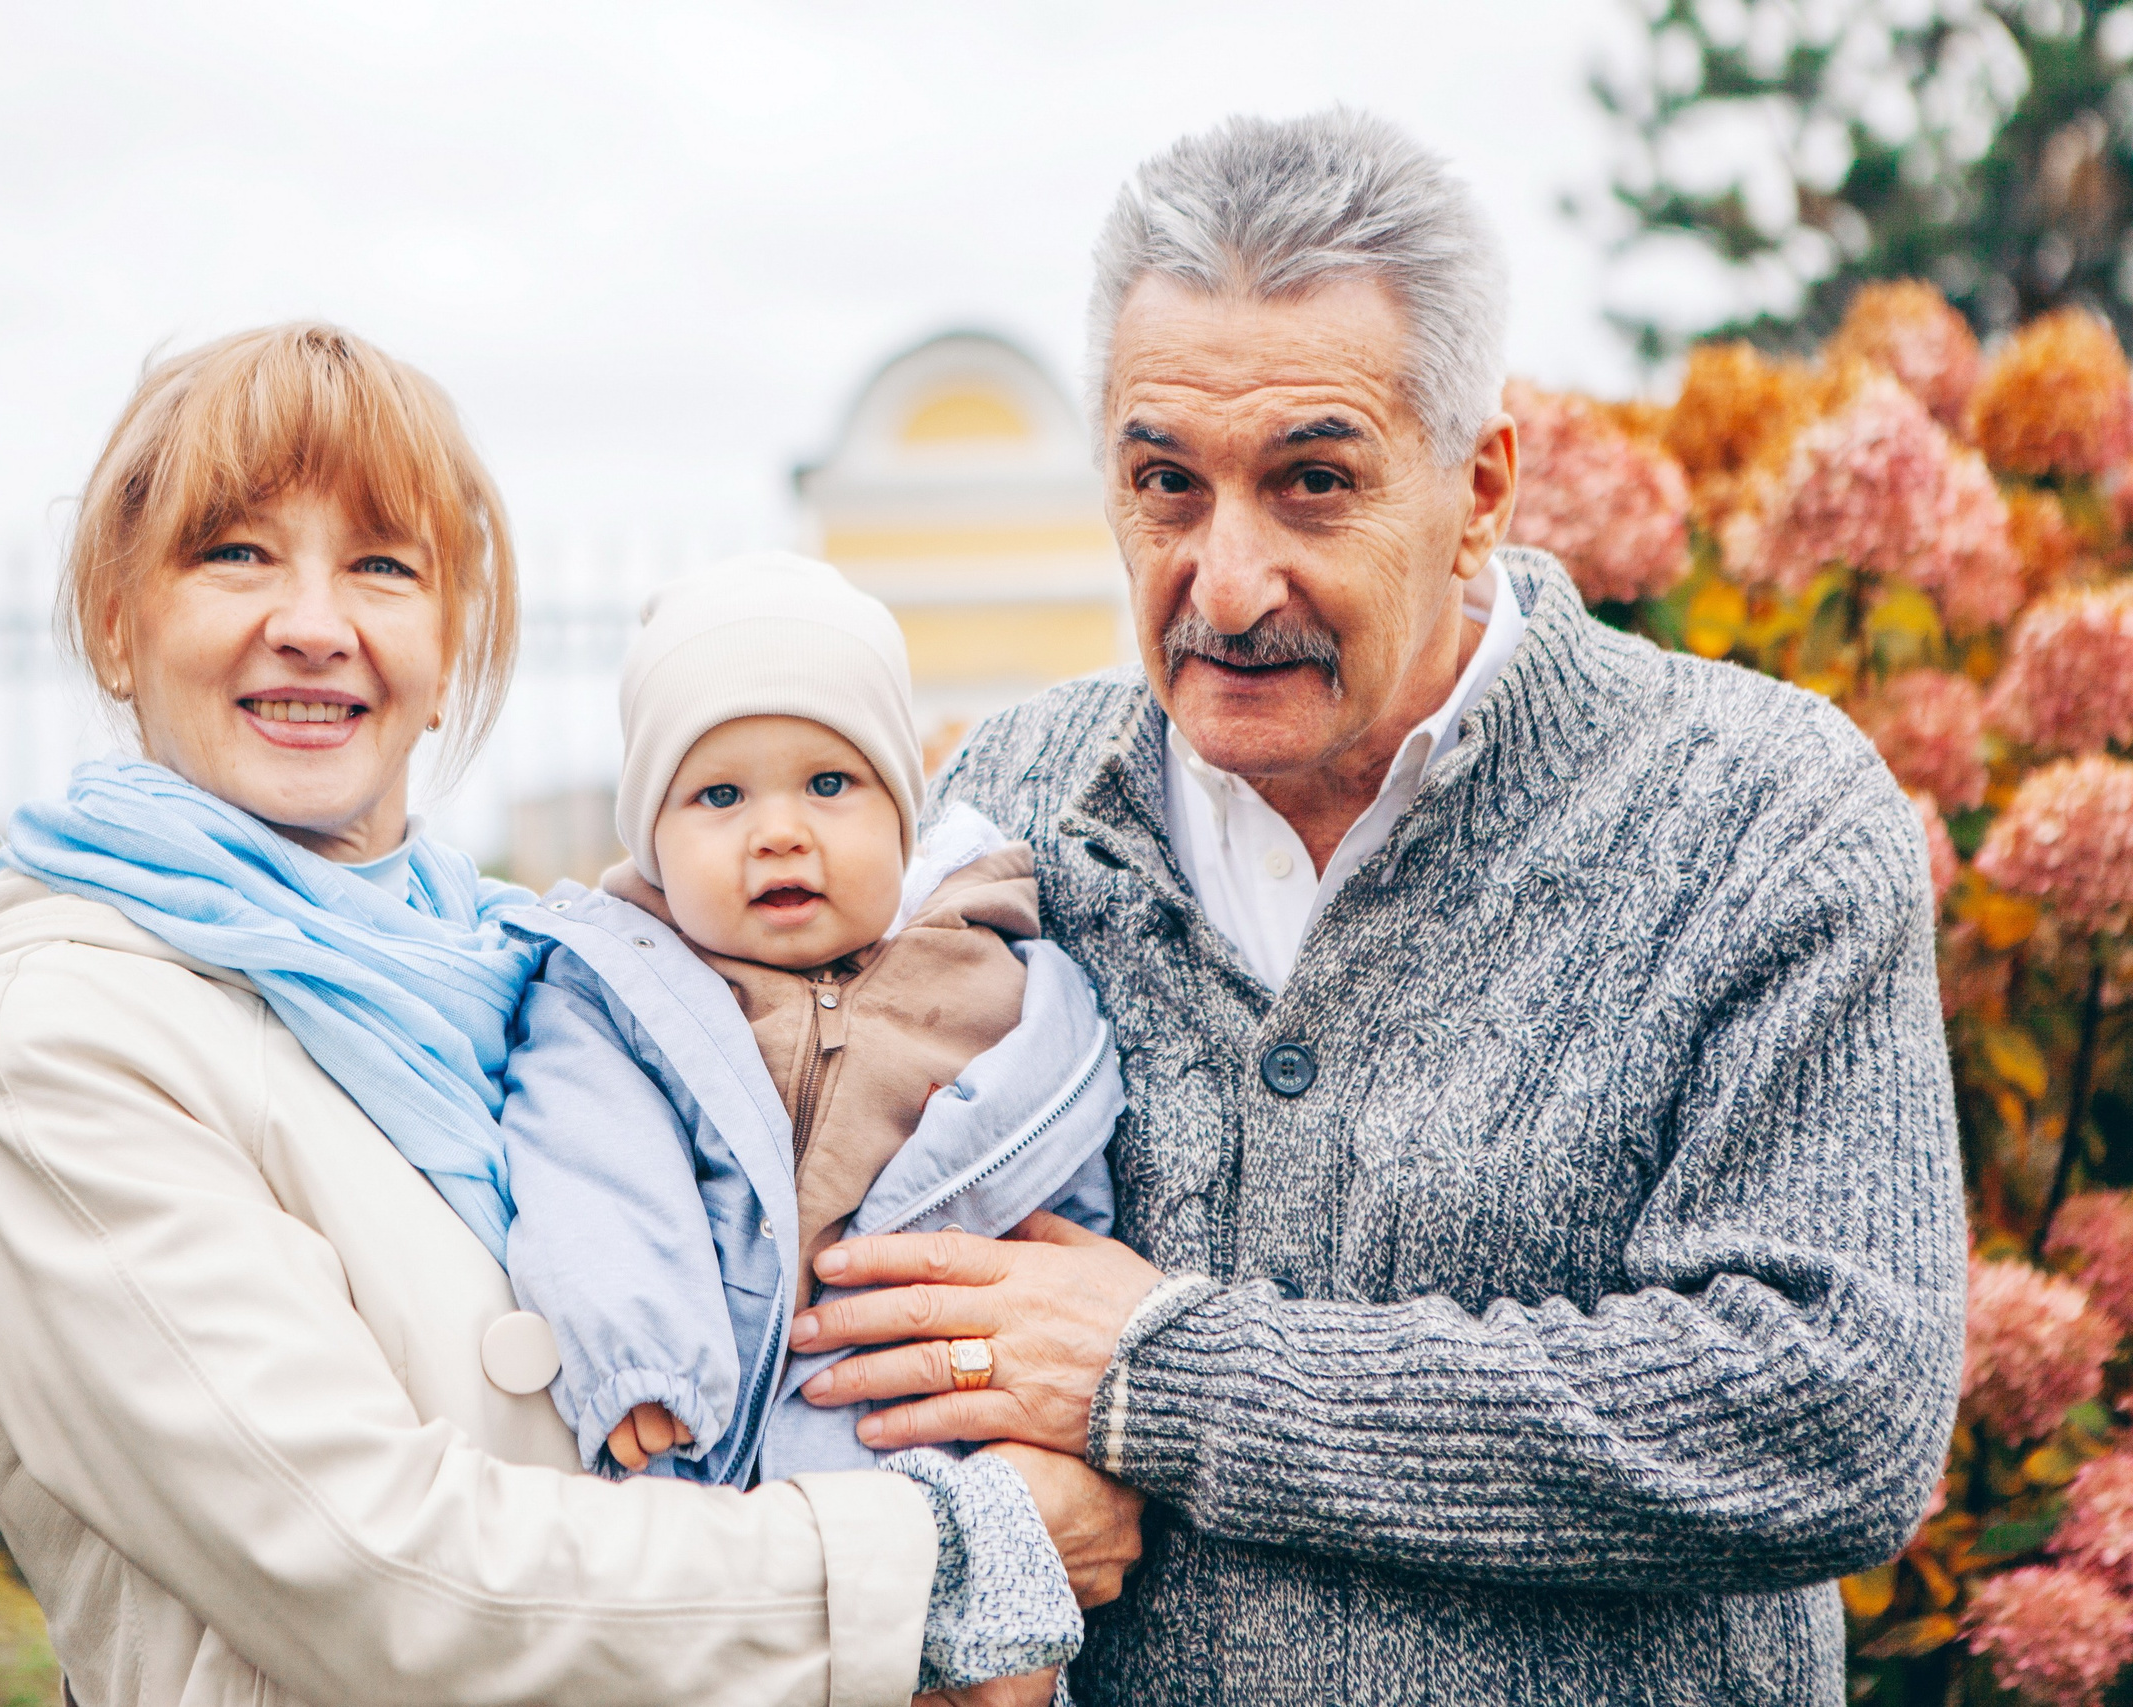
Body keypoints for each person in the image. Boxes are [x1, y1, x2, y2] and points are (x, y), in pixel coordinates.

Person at [786, 111, 1967, 1704]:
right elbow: (852, 1298)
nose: (1223, 579)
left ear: (1480, 488)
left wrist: (1171, 1376)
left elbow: (1827, 1409)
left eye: (1313, 481)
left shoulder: (1760, 808)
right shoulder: (1013, 800)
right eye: (1165, 484)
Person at [0, 321, 1136, 1707]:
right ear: (118, 629)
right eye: (235, 551)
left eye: (381, 563)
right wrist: (946, 1556)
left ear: (447, 644)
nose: (314, 622)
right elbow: (381, 1576)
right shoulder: (51, 1037)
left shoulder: (528, 965)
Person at [500, 554, 1120, 1494]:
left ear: (904, 817)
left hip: (940, 1468)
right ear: (653, 842)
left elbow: (1059, 1208)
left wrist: (1045, 1461)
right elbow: (592, 1171)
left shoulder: (999, 988)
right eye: (720, 795)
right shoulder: (618, 998)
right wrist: (636, 1354)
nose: (780, 830)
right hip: (706, 1460)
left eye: (830, 784)